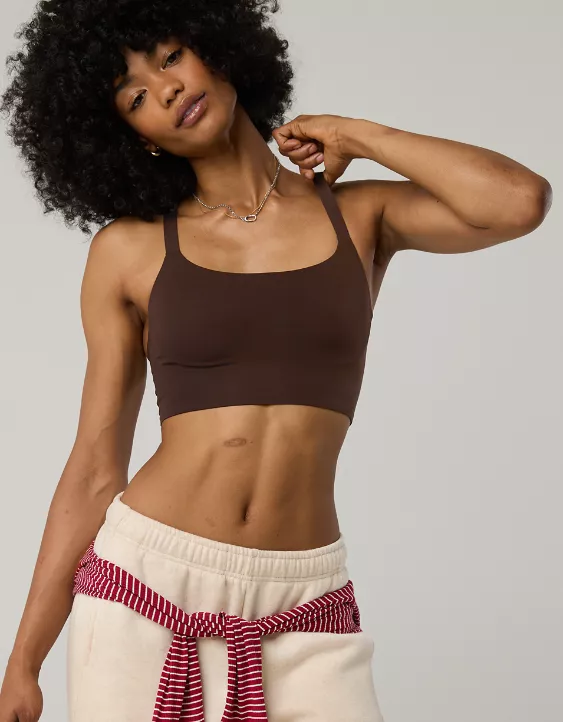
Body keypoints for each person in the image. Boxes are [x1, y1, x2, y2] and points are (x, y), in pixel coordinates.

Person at [0, 1, 552, 721]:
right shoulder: (128, 251)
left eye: (170, 57)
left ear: (218, 48)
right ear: (135, 138)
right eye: (134, 97)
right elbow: (95, 467)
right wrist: (24, 661)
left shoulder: (358, 215)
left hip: (305, 606)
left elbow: (518, 201)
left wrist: (357, 134)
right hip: (144, 589)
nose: (166, 89)